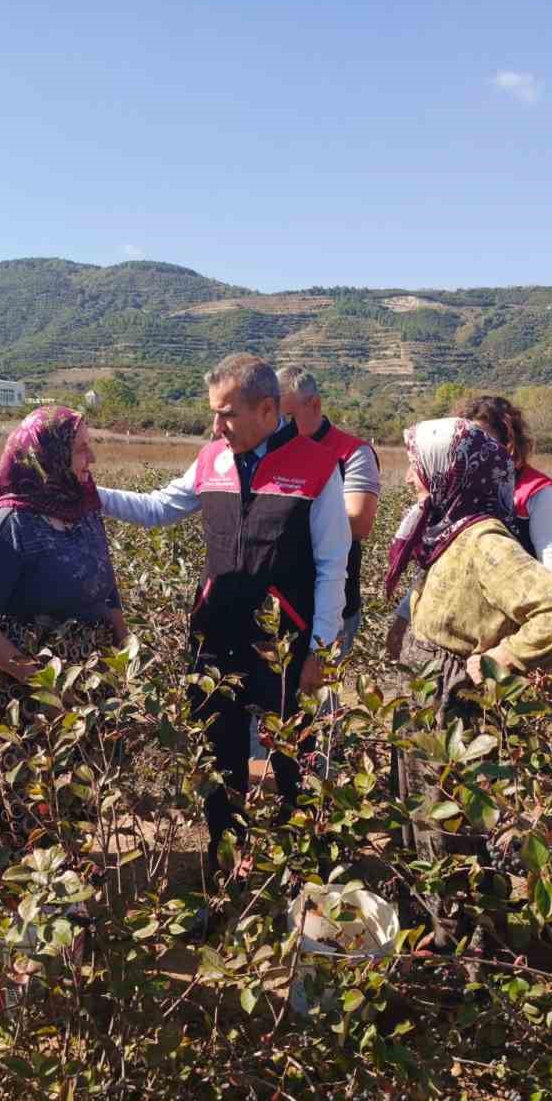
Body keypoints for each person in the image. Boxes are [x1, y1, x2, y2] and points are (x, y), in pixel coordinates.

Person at [96, 354, 351, 863]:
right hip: (215, 638)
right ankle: (225, 863)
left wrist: (321, 649)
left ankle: (304, 867)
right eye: (214, 413)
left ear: (266, 409)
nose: (217, 426)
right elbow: (158, 507)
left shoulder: (317, 468)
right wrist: (86, 492)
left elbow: (332, 567)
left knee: (292, 756)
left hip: (285, 643)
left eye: (227, 414)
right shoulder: (212, 458)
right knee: (219, 757)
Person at [387, 418, 552, 950]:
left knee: (454, 829)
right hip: (427, 694)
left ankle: (474, 953)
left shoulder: (483, 540)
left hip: (454, 703)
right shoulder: (447, 527)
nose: (409, 477)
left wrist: (504, 656)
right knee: (428, 822)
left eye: (416, 465)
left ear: (448, 473)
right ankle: (443, 930)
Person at [0, 406, 127, 841]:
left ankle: (71, 882)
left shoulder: (83, 509)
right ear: (46, 456)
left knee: (78, 792)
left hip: (83, 687)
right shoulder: (8, 523)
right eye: (82, 449)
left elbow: (106, 587)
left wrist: (124, 648)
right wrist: (45, 682)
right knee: (29, 801)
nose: (93, 460)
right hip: (23, 694)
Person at [385, 393, 552, 662]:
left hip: (507, 627)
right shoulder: (458, 497)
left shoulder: (538, 493)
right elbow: (438, 568)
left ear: (508, 442)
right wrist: (404, 617)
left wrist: (536, 651)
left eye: (482, 437)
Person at [277, 366, 381, 651]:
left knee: (322, 692)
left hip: (333, 602)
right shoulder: (273, 450)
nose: (281, 426)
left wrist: (285, 520)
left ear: (315, 404)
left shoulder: (352, 452)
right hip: (278, 599)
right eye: (275, 417)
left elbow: (359, 523)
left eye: (289, 417)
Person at [456, 394, 552, 581]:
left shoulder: (539, 492)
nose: (473, 449)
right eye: (467, 441)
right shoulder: (459, 489)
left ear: (508, 443)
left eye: (483, 441)